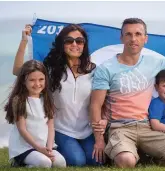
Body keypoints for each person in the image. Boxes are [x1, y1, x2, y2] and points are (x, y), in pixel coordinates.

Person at [90, 18, 165, 168]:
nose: (133, 39)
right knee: (127, 161)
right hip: (120, 128)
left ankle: (147, 156)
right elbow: (95, 106)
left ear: (146, 39)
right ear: (121, 37)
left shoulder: (154, 63)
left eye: (138, 34)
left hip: (147, 126)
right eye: (128, 34)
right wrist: (99, 140)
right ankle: (124, 152)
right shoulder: (106, 69)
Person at [12, 24, 105, 166]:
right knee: (77, 161)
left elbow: (101, 101)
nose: (74, 44)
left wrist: (103, 121)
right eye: (69, 41)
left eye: (79, 41)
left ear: (84, 44)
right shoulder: (50, 68)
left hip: (86, 130)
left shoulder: (94, 70)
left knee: (97, 162)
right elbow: (18, 71)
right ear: (62, 43)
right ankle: (25, 160)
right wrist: (24, 40)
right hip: (60, 129)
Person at [4, 60, 66, 168]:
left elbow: (51, 126)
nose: (37, 84)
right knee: (45, 163)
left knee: (61, 163)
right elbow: (22, 129)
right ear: (24, 81)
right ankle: (19, 163)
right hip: (24, 148)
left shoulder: (47, 99)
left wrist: (49, 148)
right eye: (32, 80)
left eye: (41, 79)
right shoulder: (19, 100)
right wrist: (39, 148)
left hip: (44, 146)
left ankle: (41, 156)